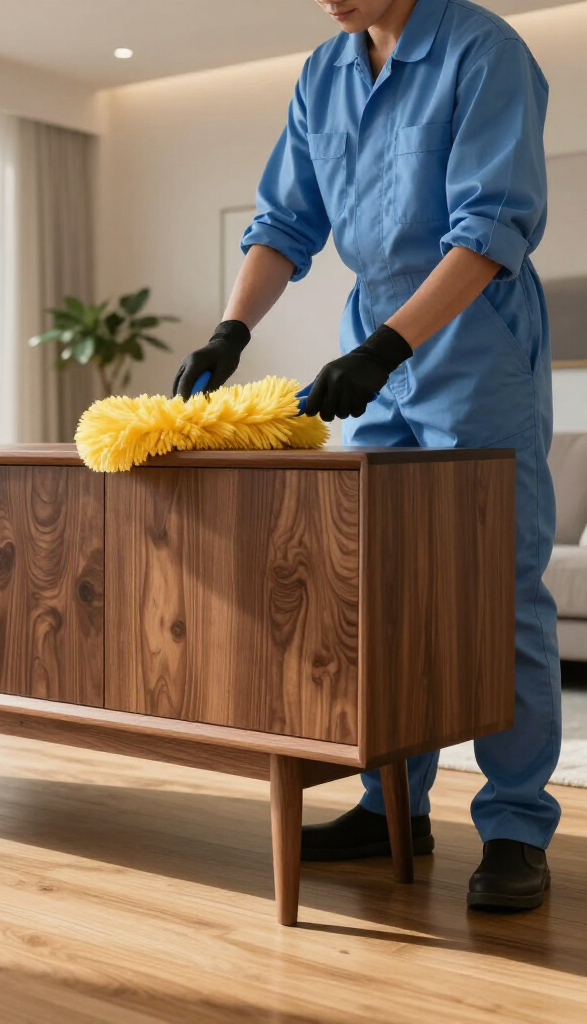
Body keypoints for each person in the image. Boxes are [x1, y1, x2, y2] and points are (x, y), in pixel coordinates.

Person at [172, 0, 560, 911]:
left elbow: (490, 229)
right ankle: (393, 806)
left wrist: (388, 348)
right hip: (374, 349)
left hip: (474, 345)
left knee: (498, 589)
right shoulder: (325, 71)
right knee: (377, 586)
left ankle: (513, 825)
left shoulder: (482, 52)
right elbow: (284, 220)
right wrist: (232, 330)